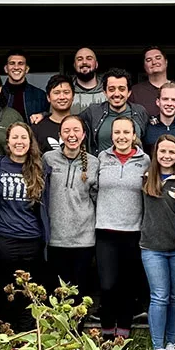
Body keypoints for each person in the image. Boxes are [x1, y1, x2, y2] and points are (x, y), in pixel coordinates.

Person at [0, 123, 51, 334]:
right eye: (15, 137)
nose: (19, 142)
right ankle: (8, 339)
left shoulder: (40, 168)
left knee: (28, 294)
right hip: (4, 240)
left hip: (32, 240)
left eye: (24, 138)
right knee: (6, 293)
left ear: (30, 142)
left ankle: (26, 340)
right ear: (8, 142)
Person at [94, 116, 151, 339]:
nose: (121, 137)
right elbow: (93, 188)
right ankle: (107, 331)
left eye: (126, 132)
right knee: (107, 285)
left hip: (133, 232)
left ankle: (123, 333)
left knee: (128, 286)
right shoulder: (102, 157)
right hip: (105, 231)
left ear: (134, 135)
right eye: (117, 132)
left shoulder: (145, 160)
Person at [139, 134, 175, 350]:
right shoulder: (147, 178)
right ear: (156, 154)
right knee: (159, 296)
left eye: (172, 152)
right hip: (152, 247)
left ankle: (171, 343)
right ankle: (157, 347)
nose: (167, 156)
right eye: (162, 151)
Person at [43, 115, 99, 303]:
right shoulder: (48, 159)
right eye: (66, 131)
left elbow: (97, 198)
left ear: (83, 135)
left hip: (83, 239)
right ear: (60, 135)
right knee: (56, 294)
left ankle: (77, 332)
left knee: (78, 294)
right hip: (55, 239)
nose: (71, 135)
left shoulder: (93, 163)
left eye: (76, 130)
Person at [142, 82, 175, 147]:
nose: (169, 103)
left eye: (174, 100)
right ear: (158, 102)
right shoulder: (147, 128)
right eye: (165, 99)